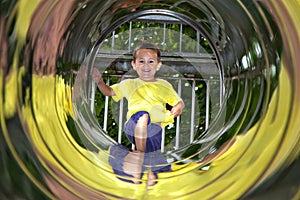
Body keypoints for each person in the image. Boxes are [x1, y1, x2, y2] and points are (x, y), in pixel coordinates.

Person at [91, 42, 184, 153]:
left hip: (155, 130)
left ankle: (141, 163)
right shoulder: (129, 84)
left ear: (158, 65)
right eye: (141, 61)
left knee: (153, 159)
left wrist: (178, 107)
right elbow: (110, 91)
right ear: (134, 65)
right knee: (144, 116)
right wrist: (100, 82)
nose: (146, 65)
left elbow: (178, 102)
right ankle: (139, 152)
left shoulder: (163, 85)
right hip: (134, 125)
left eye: (151, 61)